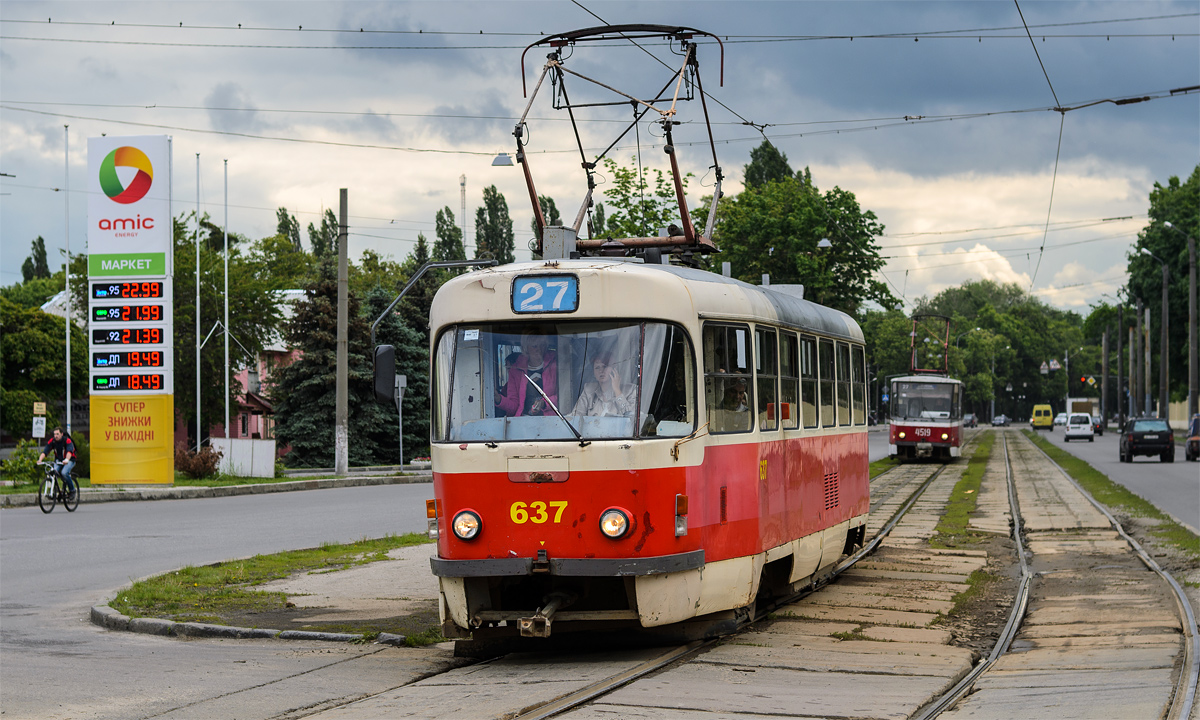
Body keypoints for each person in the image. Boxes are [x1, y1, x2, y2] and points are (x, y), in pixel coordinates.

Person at [495, 330, 558, 417]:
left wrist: (544, 403)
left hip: (552, 421)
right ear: (526, 348)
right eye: (534, 346)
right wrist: (499, 399)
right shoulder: (516, 370)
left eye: (542, 345)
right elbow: (514, 406)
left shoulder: (556, 364)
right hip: (524, 421)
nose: (539, 349)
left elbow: (564, 397)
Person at [572, 353, 636, 417]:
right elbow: (576, 416)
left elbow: (631, 418)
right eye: (597, 367)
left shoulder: (630, 390)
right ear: (593, 372)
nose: (601, 371)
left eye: (605, 366)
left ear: (615, 369)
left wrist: (617, 391)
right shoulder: (589, 390)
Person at [38, 427, 77, 496]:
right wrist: (40, 459)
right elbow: (45, 451)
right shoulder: (52, 441)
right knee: (53, 473)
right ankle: (55, 489)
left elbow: (69, 451)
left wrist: (67, 459)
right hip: (59, 460)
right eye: (54, 434)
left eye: (57, 434)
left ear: (62, 434)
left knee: (64, 473)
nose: (55, 436)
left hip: (70, 460)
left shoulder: (67, 440)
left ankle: (72, 490)